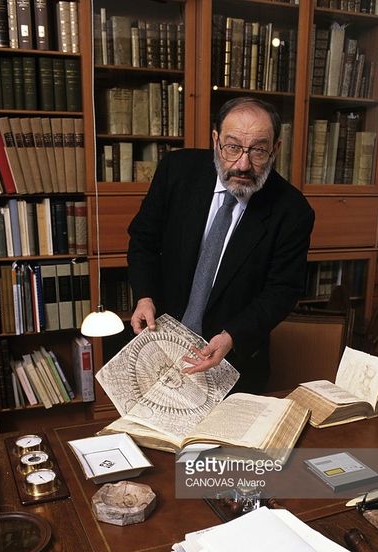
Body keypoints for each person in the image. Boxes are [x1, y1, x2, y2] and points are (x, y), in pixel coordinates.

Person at [128, 96, 315, 393]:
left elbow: (282, 291)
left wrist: (232, 336)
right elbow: (143, 239)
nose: (243, 164)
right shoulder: (176, 171)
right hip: (159, 347)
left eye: (258, 151)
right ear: (216, 140)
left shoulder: (293, 211)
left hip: (233, 363)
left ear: (275, 149)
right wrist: (144, 296)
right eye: (233, 147)